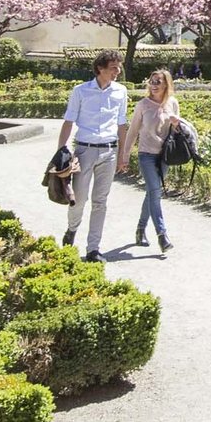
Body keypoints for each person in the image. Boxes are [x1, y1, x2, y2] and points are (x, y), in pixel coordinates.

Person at [56, 50, 129, 263]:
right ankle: (72, 229)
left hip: (109, 151)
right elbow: (69, 121)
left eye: (119, 67)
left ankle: (93, 249)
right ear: (100, 68)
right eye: (114, 67)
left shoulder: (121, 92)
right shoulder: (81, 91)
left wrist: (123, 154)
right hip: (84, 150)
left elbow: (122, 124)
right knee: (78, 199)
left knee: (100, 201)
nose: (118, 71)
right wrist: (61, 150)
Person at [119, 68, 182, 253]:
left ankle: (140, 229)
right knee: (155, 191)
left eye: (158, 82)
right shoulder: (143, 105)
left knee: (152, 193)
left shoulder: (172, 103)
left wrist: (176, 123)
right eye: (151, 81)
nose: (153, 85)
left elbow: (177, 132)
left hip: (165, 155)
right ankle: (162, 235)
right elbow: (132, 132)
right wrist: (124, 156)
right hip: (146, 154)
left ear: (166, 85)